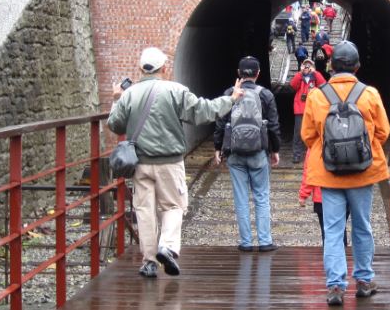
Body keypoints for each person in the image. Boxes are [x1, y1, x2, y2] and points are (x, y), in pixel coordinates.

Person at [108, 47, 243, 278]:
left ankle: (149, 261)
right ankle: (167, 246)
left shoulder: (129, 94)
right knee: (173, 205)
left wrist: (115, 99)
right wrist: (230, 99)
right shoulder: (175, 90)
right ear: (165, 68)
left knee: (145, 210)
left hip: (139, 163)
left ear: (140, 68)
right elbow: (203, 111)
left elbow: (116, 125)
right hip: (169, 163)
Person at [301, 41, 390, 306]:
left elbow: (307, 135)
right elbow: (384, 132)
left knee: (333, 229)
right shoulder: (370, 94)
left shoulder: (318, 95)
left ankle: (336, 287)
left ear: (330, 66)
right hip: (363, 174)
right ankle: (363, 280)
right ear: (357, 66)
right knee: (363, 226)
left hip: (329, 175)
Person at [214, 56, 282, 252]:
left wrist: (217, 148)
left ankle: (245, 242)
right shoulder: (265, 95)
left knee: (241, 197)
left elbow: (220, 123)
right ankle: (265, 241)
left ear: (239, 73)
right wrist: (275, 150)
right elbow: (274, 125)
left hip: (234, 153)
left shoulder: (230, 93)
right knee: (261, 196)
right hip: (259, 152)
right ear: (258, 73)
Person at [299, 157, 347, 247]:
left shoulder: (315, 144)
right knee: (341, 229)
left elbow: (309, 169)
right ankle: (343, 256)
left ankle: (331, 259)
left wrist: (304, 194)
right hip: (344, 191)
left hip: (321, 195)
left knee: (327, 232)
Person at [289, 59, 326, 164]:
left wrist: (315, 72)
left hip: (314, 109)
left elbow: (324, 84)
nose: (307, 67)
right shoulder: (299, 77)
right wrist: (300, 73)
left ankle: (316, 154)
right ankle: (297, 155)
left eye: (309, 65)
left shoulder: (316, 77)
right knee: (298, 133)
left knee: (317, 132)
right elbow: (293, 85)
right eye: (305, 65)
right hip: (300, 109)